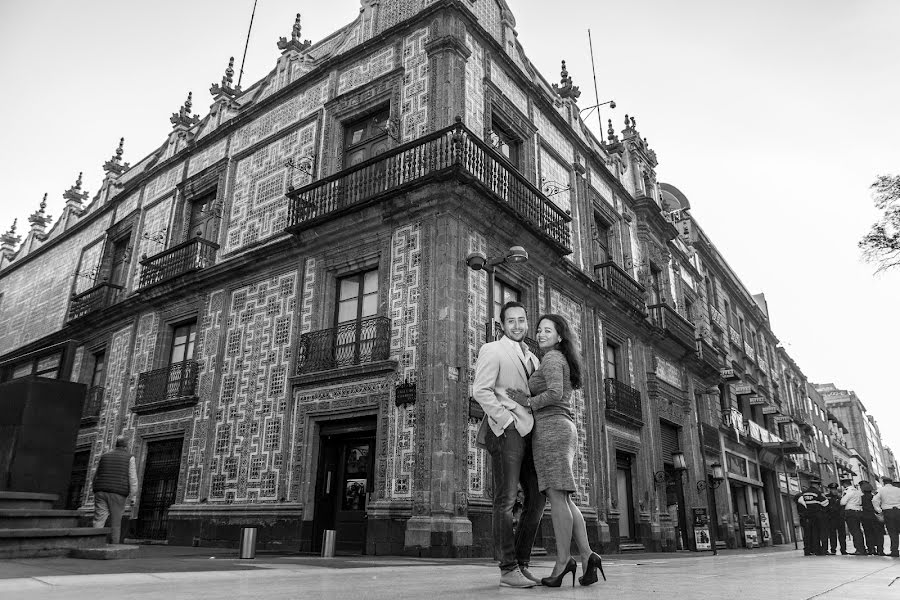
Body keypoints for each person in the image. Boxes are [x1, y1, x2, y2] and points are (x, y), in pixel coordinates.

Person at [507, 314, 605, 587]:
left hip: (552, 430)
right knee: (564, 498)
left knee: (556, 496)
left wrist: (526, 401)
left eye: (546, 331)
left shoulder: (551, 359)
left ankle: (563, 563)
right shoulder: (557, 358)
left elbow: (554, 392)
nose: (540, 334)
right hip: (561, 428)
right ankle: (587, 556)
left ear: (559, 336)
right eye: (538, 330)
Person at [472, 301, 543, 588]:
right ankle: (507, 567)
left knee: (538, 498)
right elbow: (481, 390)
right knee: (506, 499)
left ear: (527, 323)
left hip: (530, 433)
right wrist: (506, 421)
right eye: (510, 321)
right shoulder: (493, 349)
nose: (517, 325)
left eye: (521, 320)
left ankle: (521, 563)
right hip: (507, 432)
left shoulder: (533, 359)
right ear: (502, 325)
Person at [92, 436, 138, 544]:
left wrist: (95, 489)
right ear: (127, 445)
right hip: (118, 493)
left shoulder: (104, 456)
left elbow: (96, 475)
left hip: (100, 491)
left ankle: (94, 542)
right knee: (116, 522)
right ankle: (114, 545)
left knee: (99, 519)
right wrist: (133, 496)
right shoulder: (129, 457)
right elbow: (133, 478)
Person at [797, 480, 828, 556]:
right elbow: (825, 503)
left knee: (809, 534)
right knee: (819, 533)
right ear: (817, 485)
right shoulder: (817, 493)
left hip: (807, 517)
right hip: (817, 516)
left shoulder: (804, 494)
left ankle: (808, 550)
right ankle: (819, 550)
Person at [873, 477, 900, 557]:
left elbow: (875, 500)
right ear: (891, 482)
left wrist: (879, 511)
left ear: (884, 482)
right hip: (899, 511)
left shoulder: (881, 490)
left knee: (893, 532)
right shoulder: (898, 489)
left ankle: (894, 551)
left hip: (888, 512)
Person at [841, 479, 867, 555]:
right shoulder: (857, 491)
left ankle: (859, 549)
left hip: (850, 512)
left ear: (845, 485)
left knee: (854, 531)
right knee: (858, 531)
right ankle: (862, 548)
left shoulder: (847, 491)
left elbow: (842, 502)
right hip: (858, 511)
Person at [859, 481, 885, 555]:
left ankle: (871, 549)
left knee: (868, 534)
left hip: (866, 518)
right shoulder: (876, 497)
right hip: (876, 518)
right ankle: (880, 550)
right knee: (879, 534)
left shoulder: (861, 498)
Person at [824, 482, 847, 555]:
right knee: (832, 535)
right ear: (830, 490)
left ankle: (843, 549)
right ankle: (833, 549)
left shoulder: (840, 498)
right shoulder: (826, 497)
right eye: (832, 489)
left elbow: (843, 507)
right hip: (831, 519)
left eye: (835, 489)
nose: (834, 491)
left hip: (840, 518)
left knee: (842, 535)